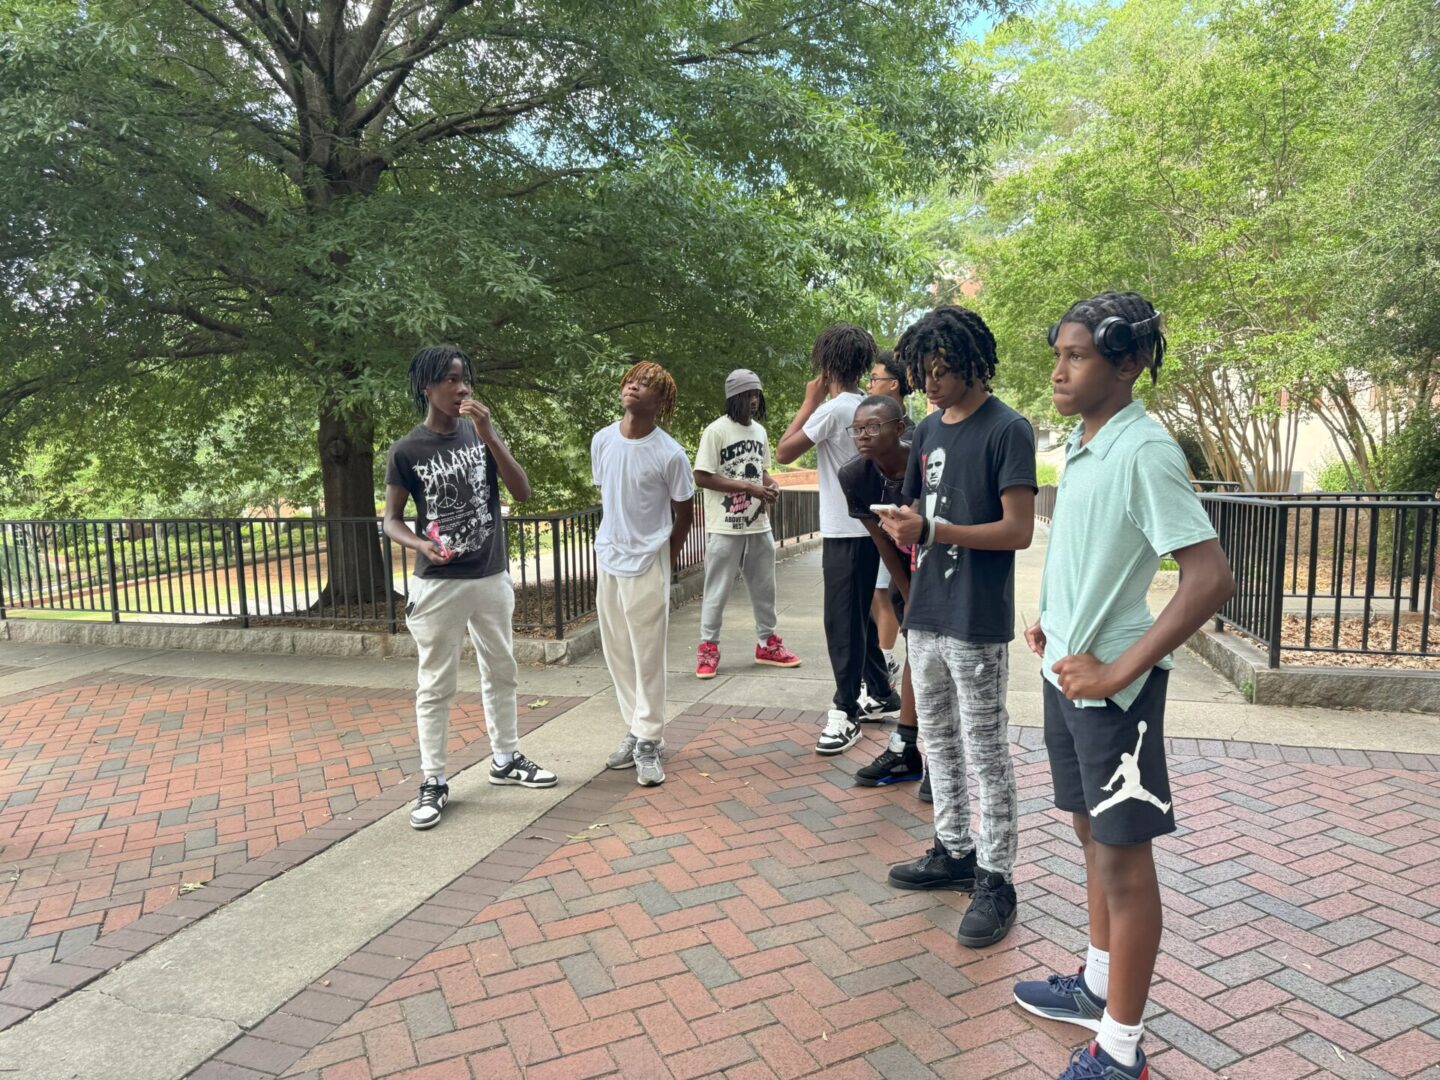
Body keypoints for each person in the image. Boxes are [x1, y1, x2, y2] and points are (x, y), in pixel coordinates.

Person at [1012, 293, 1234, 1080]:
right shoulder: (1084, 439)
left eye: (1077, 357)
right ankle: (1097, 986)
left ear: (1128, 362)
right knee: (1088, 836)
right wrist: (1056, 620)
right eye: (1059, 353)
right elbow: (1093, 552)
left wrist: (1115, 668)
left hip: (1113, 696)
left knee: (1124, 863)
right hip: (1065, 675)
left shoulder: (1146, 451)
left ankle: (1120, 1049)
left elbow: (1208, 578)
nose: (1059, 371)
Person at [879, 306, 1036, 950]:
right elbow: (919, 508)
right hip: (928, 612)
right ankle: (952, 848)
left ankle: (997, 877)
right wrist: (900, 519)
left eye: (942, 370)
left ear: (973, 362)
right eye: (922, 373)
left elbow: (1018, 531)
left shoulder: (1009, 430)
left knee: (985, 749)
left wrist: (933, 531)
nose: (931, 383)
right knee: (938, 742)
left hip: (976, 617)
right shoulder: (925, 429)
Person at [383, 345, 558, 832]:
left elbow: (521, 492)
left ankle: (505, 759)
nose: (462, 389)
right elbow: (391, 521)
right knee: (436, 684)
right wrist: (420, 543)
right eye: (451, 380)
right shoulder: (406, 450)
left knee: (501, 670)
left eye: (465, 379)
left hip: (491, 576)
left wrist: (490, 434)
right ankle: (434, 781)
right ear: (427, 387)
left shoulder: (480, 435)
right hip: (438, 584)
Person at [776, 324, 899, 756]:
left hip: (844, 531)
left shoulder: (832, 411)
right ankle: (881, 691)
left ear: (826, 366)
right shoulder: (871, 407)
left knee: (841, 622)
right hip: (873, 529)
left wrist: (810, 400)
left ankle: (845, 711)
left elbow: (784, 451)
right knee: (859, 615)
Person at [593, 361, 695, 786]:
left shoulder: (669, 453)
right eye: (631, 381)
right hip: (608, 557)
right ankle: (636, 729)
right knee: (617, 651)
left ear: (662, 402)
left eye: (647, 385)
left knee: (648, 654)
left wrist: (667, 558)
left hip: (648, 561)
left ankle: (650, 738)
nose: (635, 387)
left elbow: (684, 511)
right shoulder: (602, 440)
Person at [693, 368, 801, 678]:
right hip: (725, 525)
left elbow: (760, 472)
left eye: (756, 395)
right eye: (747, 396)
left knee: (765, 587)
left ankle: (767, 643)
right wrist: (748, 488)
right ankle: (708, 648)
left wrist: (771, 484)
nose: (753, 401)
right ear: (734, 398)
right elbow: (702, 476)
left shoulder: (760, 432)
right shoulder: (717, 431)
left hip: (758, 524)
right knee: (717, 589)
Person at [837, 395, 922, 788]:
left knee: (940, 655)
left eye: (873, 427)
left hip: (947, 557)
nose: (863, 436)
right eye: (858, 429)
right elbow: (880, 539)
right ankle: (906, 748)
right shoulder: (854, 475)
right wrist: (908, 592)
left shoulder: (925, 458)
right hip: (906, 563)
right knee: (917, 646)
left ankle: (939, 755)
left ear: (899, 428)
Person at [865, 350, 914, 686]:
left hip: (899, 527)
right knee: (879, 593)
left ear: (893, 384)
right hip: (880, 523)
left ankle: (884, 666)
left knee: (885, 593)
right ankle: (886, 665)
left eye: (874, 378)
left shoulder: (910, 432)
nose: (869, 385)